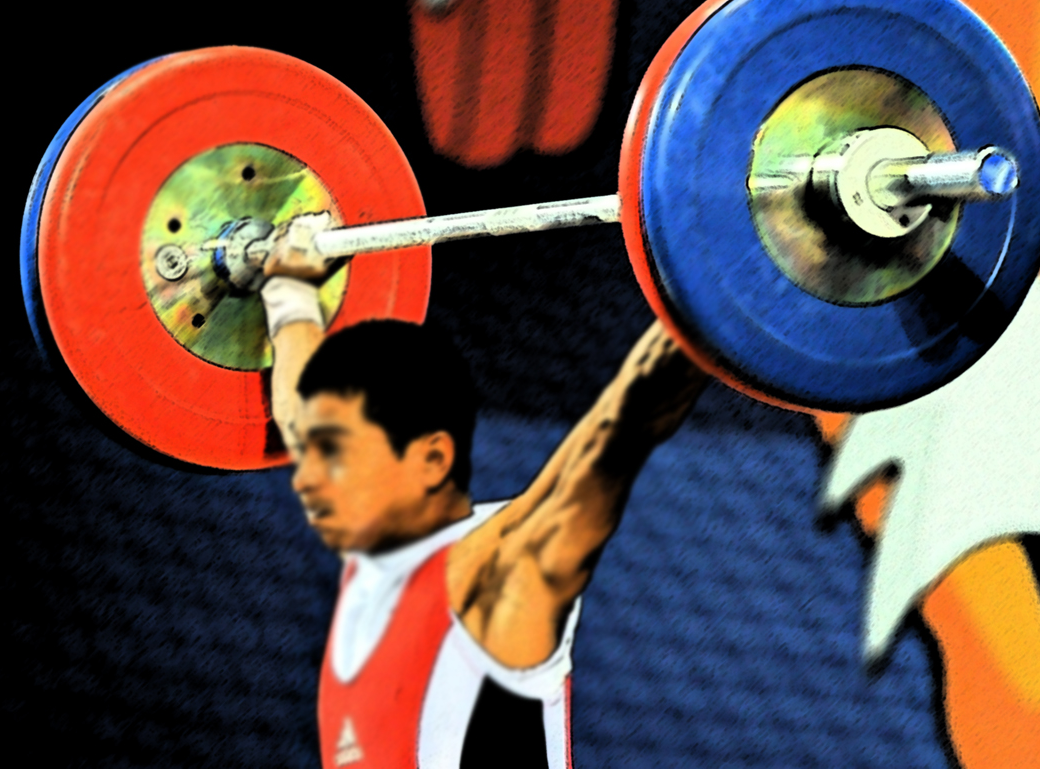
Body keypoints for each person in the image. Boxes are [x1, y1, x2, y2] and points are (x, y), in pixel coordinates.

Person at [257, 216, 709, 768]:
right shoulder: (377, 561)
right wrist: (288, 295)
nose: (309, 475)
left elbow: (622, 428)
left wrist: (721, 285)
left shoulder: (497, 571)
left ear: (431, 460)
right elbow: (301, 421)